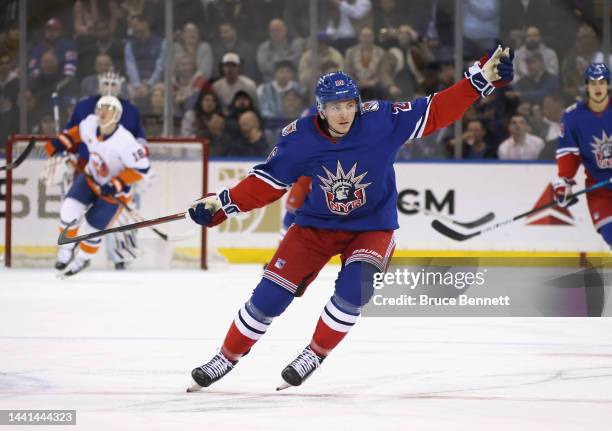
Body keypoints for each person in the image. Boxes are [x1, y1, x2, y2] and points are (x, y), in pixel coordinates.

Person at [184, 45, 514, 390]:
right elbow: (266, 182)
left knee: (355, 290)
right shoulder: (299, 139)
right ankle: (226, 357)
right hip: (315, 227)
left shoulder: (382, 120)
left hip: (372, 227)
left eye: (348, 105)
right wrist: (221, 205)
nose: (344, 114)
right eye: (334, 107)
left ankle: (315, 352)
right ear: (321, 110)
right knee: (269, 297)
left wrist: (477, 82)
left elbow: (434, 111)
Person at [45, 96, 150, 276]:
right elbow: (76, 133)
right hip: (89, 178)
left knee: (93, 230)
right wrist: (61, 142)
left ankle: (83, 259)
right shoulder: (90, 124)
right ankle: (66, 249)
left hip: (114, 193)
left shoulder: (126, 142)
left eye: (108, 108)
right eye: (101, 107)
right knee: (68, 210)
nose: (102, 111)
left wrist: (117, 183)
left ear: (117, 115)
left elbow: (142, 169)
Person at [66, 71, 146, 270]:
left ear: (120, 86)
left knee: (121, 214)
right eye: (105, 83)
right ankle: (73, 251)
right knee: (73, 209)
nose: (109, 87)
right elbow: (71, 135)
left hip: (120, 171)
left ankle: (122, 256)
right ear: (98, 85)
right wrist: (68, 155)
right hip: (86, 168)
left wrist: (132, 169)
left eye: (114, 83)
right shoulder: (85, 106)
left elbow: (141, 143)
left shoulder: (131, 110)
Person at [554, 63, 612, 247]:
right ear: (586, 85)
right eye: (593, 82)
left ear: (608, 85)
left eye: (602, 82)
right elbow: (568, 155)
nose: (597, 87)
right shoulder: (573, 117)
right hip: (600, 189)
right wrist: (565, 183)